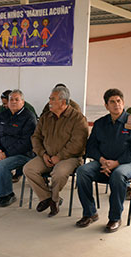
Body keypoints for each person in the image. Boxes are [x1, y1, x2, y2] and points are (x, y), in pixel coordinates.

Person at [75, 89, 131, 233]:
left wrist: (116, 163)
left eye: (119, 101)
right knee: (82, 171)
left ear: (123, 103)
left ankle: (115, 218)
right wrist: (102, 160)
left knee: (118, 175)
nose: (116, 104)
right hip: (103, 162)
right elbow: (91, 146)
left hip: (128, 164)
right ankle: (90, 213)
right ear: (106, 106)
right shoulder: (100, 123)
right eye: (112, 102)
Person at [23, 85, 88, 217]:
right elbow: (36, 137)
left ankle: (54, 200)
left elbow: (77, 144)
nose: (49, 102)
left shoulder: (78, 118)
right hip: (46, 156)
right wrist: (43, 154)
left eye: (52, 99)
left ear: (63, 102)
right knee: (28, 169)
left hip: (70, 158)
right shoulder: (46, 117)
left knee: (58, 173)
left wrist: (60, 156)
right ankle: (47, 198)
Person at [0, 89, 37, 207]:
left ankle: (7, 195)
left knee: (2, 165)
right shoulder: (2, 115)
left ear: (23, 102)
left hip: (23, 154)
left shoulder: (29, 117)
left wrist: (6, 153)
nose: (13, 102)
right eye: (11, 99)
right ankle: (1, 194)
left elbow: (26, 142)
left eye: (17, 99)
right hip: (2, 152)